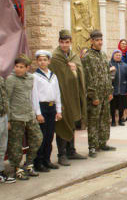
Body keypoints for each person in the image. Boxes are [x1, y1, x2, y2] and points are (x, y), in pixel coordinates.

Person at [49, 30, 87, 166]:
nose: (65, 45)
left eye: (67, 42)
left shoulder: (74, 56)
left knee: (72, 123)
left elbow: (81, 73)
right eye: (62, 42)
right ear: (59, 42)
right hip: (61, 97)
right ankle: (62, 154)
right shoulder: (55, 58)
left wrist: (76, 68)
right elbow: (52, 79)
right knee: (62, 124)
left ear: (70, 42)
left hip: (74, 96)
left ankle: (71, 150)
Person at [6, 57, 43, 180]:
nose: (18, 69)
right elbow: (7, 100)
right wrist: (8, 119)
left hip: (29, 115)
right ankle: (17, 168)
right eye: (17, 66)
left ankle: (29, 164)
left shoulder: (31, 78)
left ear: (27, 68)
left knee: (38, 138)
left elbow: (33, 96)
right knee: (15, 145)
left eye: (21, 67)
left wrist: (36, 113)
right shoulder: (11, 80)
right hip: (16, 117)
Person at [82, 30, 115, 158]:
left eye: (101, 40)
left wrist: (110, 91)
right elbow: (88, 78)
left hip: (105, 95)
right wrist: (93, 96)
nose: (100, 42)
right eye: (97, 40)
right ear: (92, 41)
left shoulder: (103, 55)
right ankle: (92, 147)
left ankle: (102, 142)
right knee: (93, 121)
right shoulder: (87, 57)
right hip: (95, 96)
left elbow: (107, 74)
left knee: (105, 120)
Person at [33, 50, 62, 173]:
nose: (42, 62)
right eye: (40, 60)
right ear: (37, 62)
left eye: (45, 60)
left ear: (49, 61)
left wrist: (58, 110)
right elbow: (34, 96)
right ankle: (38, 162)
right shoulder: (35, 76)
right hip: (42, 107)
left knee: (50, 135)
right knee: (42, 137)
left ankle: (47, 160)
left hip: (51, 107)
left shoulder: (53, 76)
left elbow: (57, 94)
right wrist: (38, 113)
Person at [109, 50, 127, 127]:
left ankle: (120, 120)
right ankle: (113, 120)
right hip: (113, 90)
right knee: (113, 106)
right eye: (116, 55)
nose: (118, 56)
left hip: (122, 89)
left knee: (121, 106)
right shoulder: (110, 64)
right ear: (113, 56)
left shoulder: (125, 65)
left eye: (119, 55)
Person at [0, 76, 15, 183]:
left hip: (3, 115)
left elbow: (5, 98)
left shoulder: (0, 78)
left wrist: (8, 118)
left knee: (2, 147)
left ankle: (1, 172)